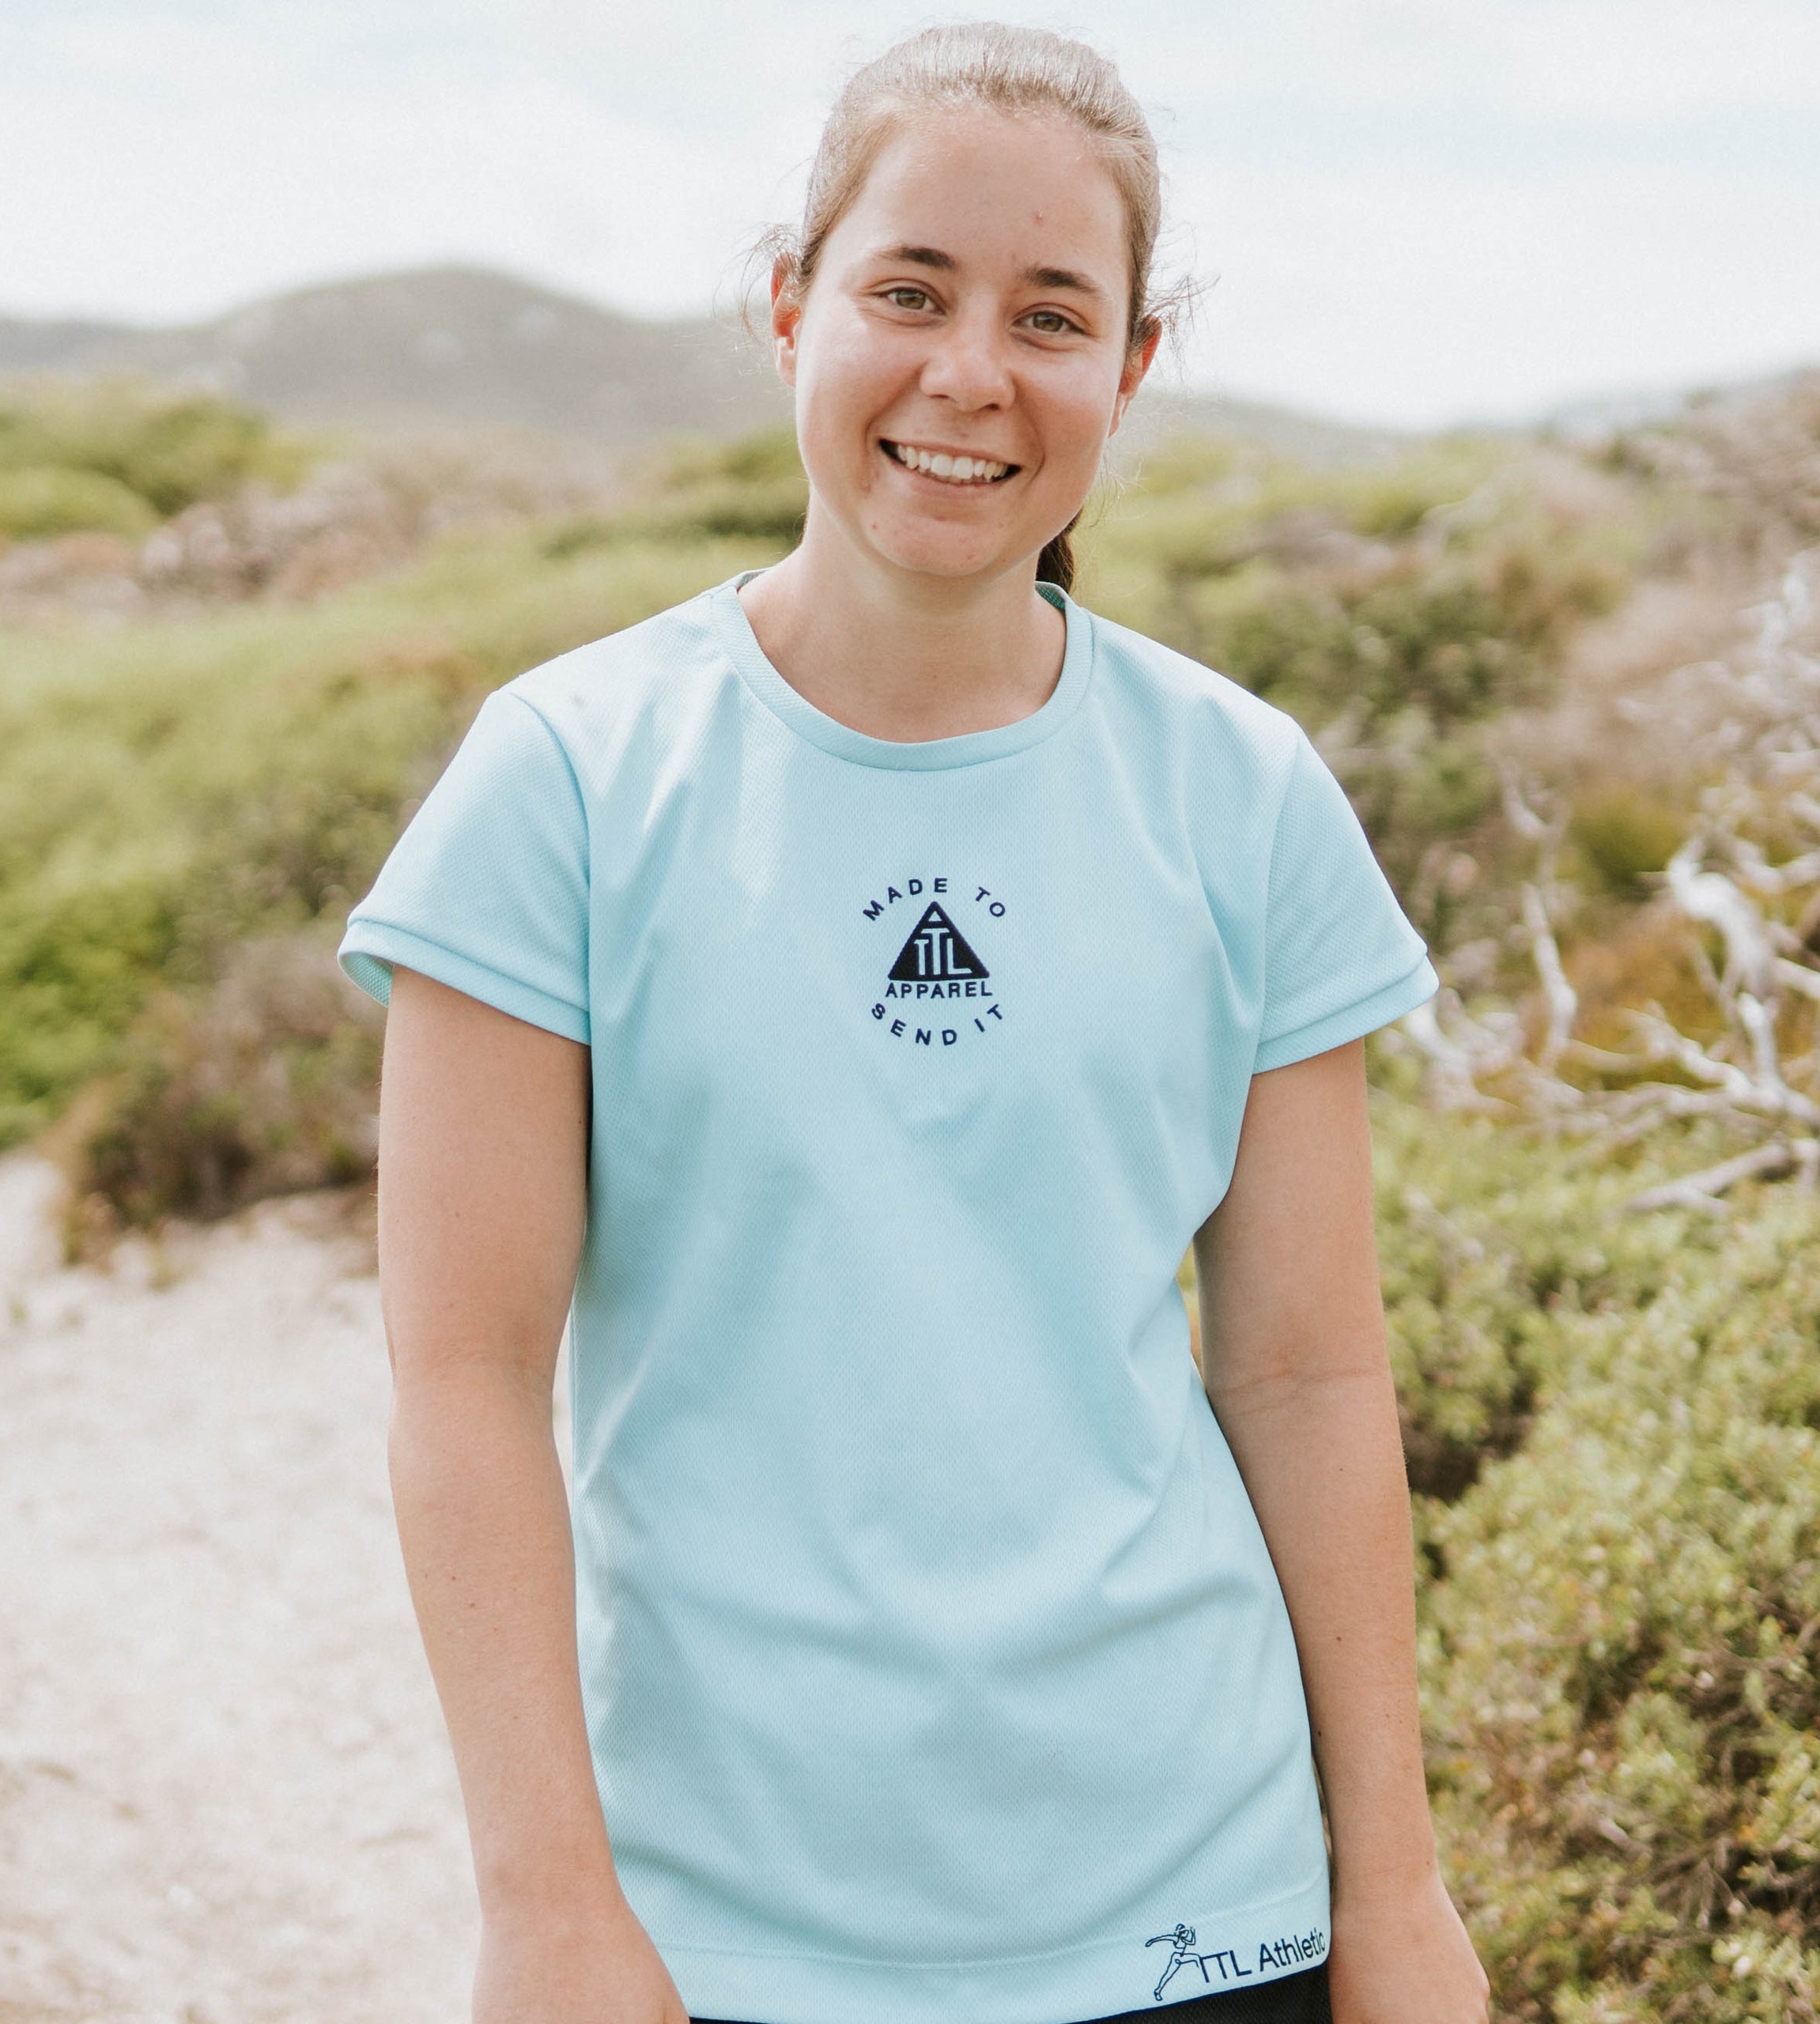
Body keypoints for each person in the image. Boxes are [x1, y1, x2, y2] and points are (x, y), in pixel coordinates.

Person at [338, 24, 1490, 2024]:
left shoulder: (1245, 790)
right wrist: (546, 1906)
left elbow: (1306, 1372)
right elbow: (461, 1383)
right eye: (908, 291)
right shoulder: (569, 780)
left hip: (1205, 1912)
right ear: (790, 308)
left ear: (1130, 368)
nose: (972, 372)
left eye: (1054, 315)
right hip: (724, 1932)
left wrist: (1390, 1888)